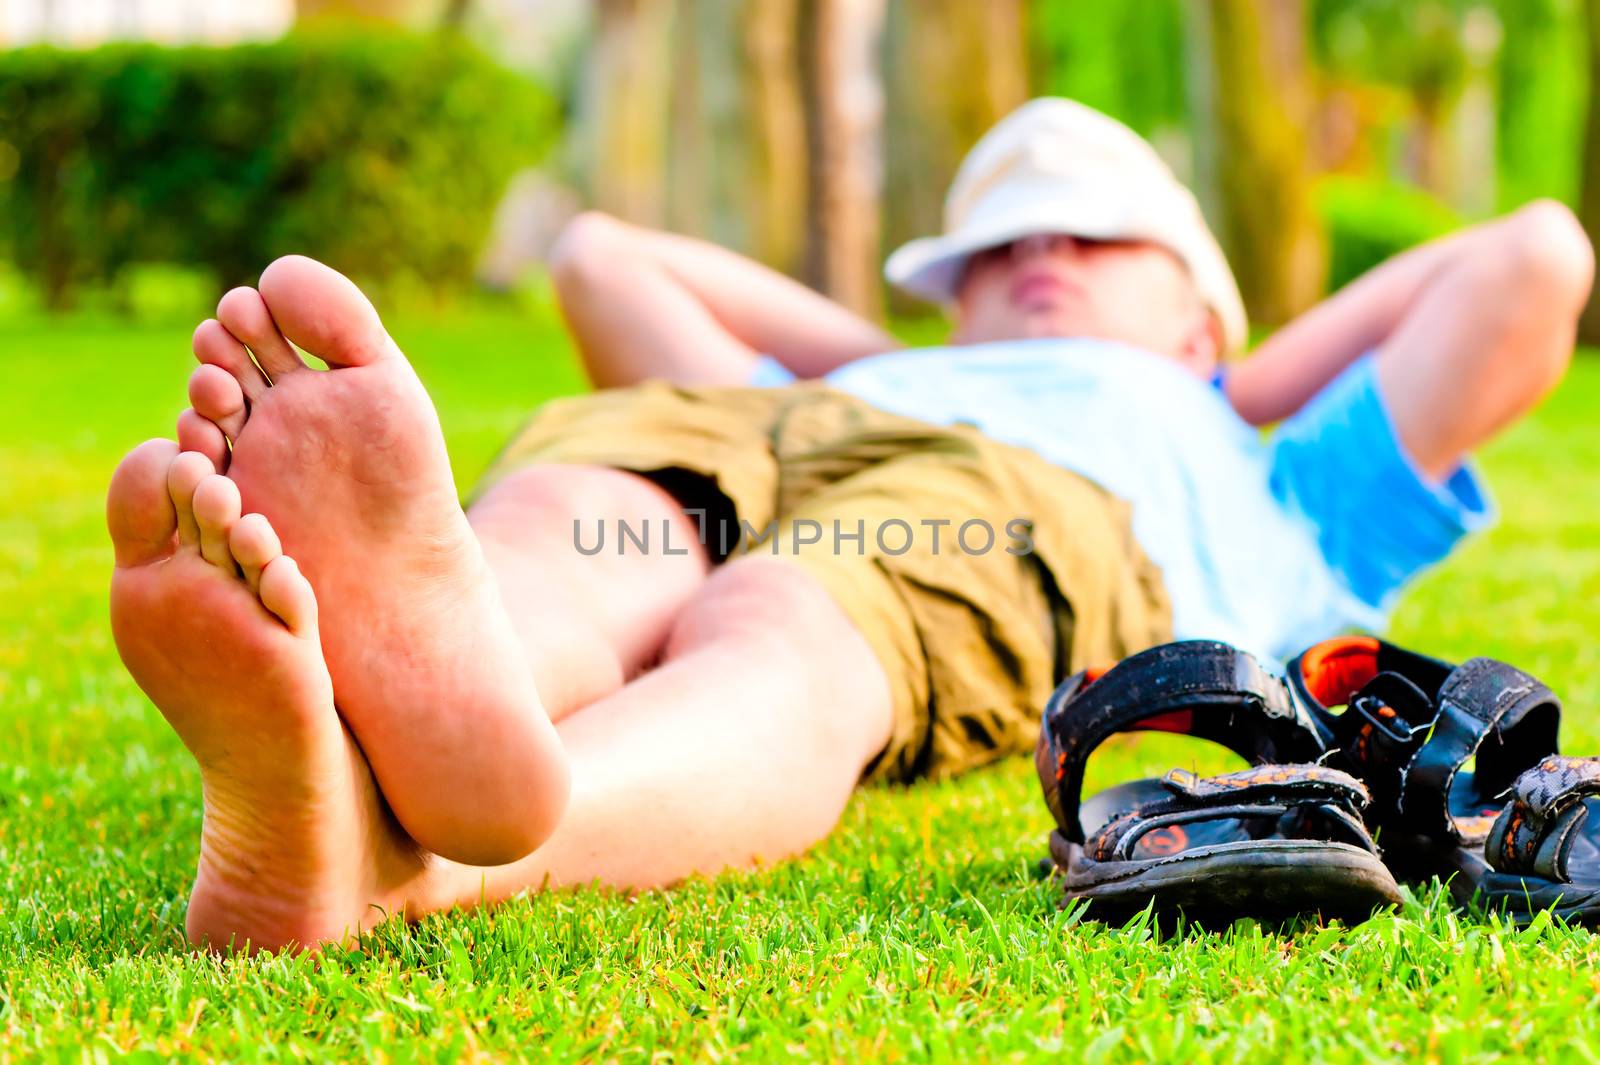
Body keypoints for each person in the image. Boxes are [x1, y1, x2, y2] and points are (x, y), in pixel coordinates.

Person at [106, 98, 1591, 953]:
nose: (1038, 257)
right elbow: (600, 259)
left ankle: (415, 848)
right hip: (772, 423)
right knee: (591, 500)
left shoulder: (1267, 462)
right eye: (996, 252)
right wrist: (885, 363)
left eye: (1089, 235)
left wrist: (1217, 375)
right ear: (945, 302)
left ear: (1206, 305)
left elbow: (1536, 262)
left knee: (788, 630)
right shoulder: (892, 362)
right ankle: (444, 659)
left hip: (1029, 506)